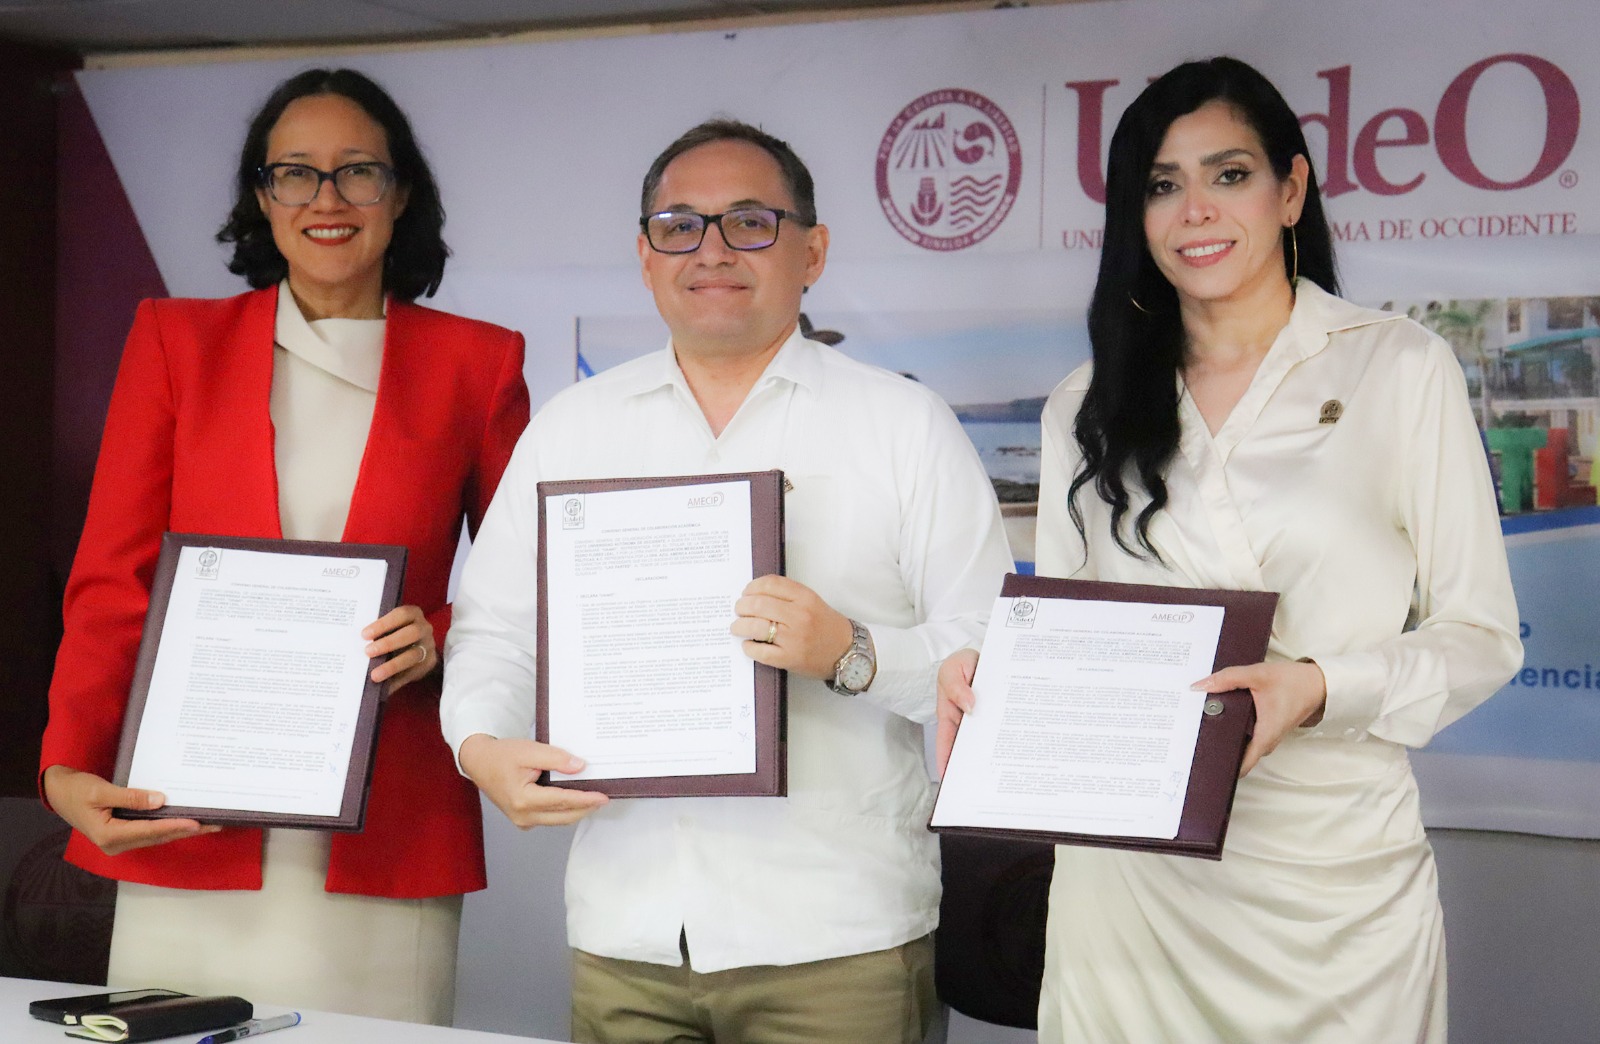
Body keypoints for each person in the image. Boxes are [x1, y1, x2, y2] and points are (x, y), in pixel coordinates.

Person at [936, 57, 1521, 1042]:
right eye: (1162, 186)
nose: (1194, 210)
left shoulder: (1395, 366)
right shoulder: (1086, 402)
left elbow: (1481, 638)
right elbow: (1072, 637)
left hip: (1331, 885)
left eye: (1228, 175)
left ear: (1291, 191)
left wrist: (1318, 686)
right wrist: (993, 678)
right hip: (1129, 883)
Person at [441, 119, 1012, 1044]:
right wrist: (479, 746)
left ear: (813, 251)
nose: (711, 249)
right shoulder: (574, 428)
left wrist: (852, 653)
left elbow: (991, 663)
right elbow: (496, 632)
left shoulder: (904, 425)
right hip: (627, 934)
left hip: (839, 941)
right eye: (680, 225)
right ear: (644, 253)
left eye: (750, 222)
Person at [39, 68, 529, 1025]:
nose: (327, 200)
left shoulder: (477, 362)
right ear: (262, 200)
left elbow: (534, 581)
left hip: (384, 820)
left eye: (357, 172)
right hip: (188, 811)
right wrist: (65, 767)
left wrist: (439, 630)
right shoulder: (178, 342)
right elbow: (113, 584)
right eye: (295, 174)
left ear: (402, 194)